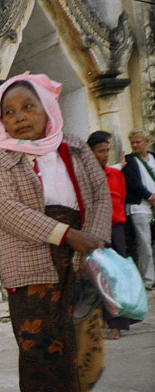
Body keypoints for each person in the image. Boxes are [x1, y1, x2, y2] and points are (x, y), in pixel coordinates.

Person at [0, 73, 111, 392]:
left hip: (81, 259)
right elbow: (9, 212)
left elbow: (100, 195)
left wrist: (94, 244)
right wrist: (70, 236)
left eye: (27, 107)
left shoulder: (75, 148)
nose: (18, 118)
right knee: (42, 357)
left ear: (47, 108)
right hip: (32, 266)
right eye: (8, 112)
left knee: (84, 352)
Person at [87, 131, 130, 339]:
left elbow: (120, 200)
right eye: (100, 151)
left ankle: (117, 324)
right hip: (94, 231)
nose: (104, 155)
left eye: (106, 151)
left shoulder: (116, 175)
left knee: (117, 276)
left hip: (116, 229)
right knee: (98, 276)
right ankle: (103, 317)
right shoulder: (85, 179)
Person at [121, 129, 155, 289]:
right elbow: (132, 182)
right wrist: (150, 196)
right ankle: (148, 280)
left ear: (146, 142)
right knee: (144, 244)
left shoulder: (153, 158)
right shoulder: (129, 160)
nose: (134, 145)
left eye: (137, 142)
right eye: (132, 142)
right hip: (139, 206)